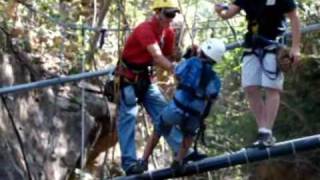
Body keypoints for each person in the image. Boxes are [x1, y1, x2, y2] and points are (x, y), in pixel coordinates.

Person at [116, 0, 204, 175]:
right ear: (157, 12)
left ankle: (182, 151)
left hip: (145, 79)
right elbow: (157, 56)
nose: (171, 18)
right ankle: (130, 164)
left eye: (173, 14)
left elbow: (168, 57)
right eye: (168, 14)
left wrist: (187, 57)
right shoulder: (144, 30)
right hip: (128, 78)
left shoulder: (168, 33)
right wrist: (177, 69)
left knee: (165, 113)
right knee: (128, 118)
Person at [214, 0, 301, 147]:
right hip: (252, 45)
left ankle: (267, 131)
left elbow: (294, 17)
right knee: (250, 87)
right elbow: (228, 13)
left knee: (271, 87)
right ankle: (263, 130)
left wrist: (295, 47)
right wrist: (219, 10)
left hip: (274, 43)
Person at [141, 38, 226, 169]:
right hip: (194, 115)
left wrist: (186, 59)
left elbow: (177, 72)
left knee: (159, 127)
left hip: (176, 109)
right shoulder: (215, 79)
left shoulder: (191, 62)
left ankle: (144, 161)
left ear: (202, 51)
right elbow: (212, 97)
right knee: (189, 135)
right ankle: (179, 160)